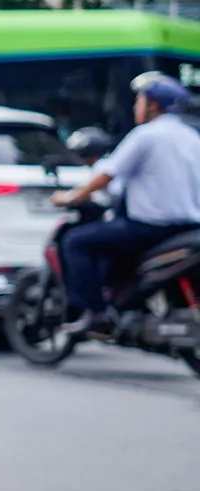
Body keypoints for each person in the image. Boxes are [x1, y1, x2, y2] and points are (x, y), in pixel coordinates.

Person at [50, 72, 200, 335]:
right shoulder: (192, 137)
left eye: (138, 100)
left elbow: (107, 176)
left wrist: (72, 196)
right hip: (187, 228)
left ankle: (96, 314)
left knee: (76, 241)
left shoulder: (147, 135)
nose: (135, 107)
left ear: (153, 104)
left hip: (149, 229)